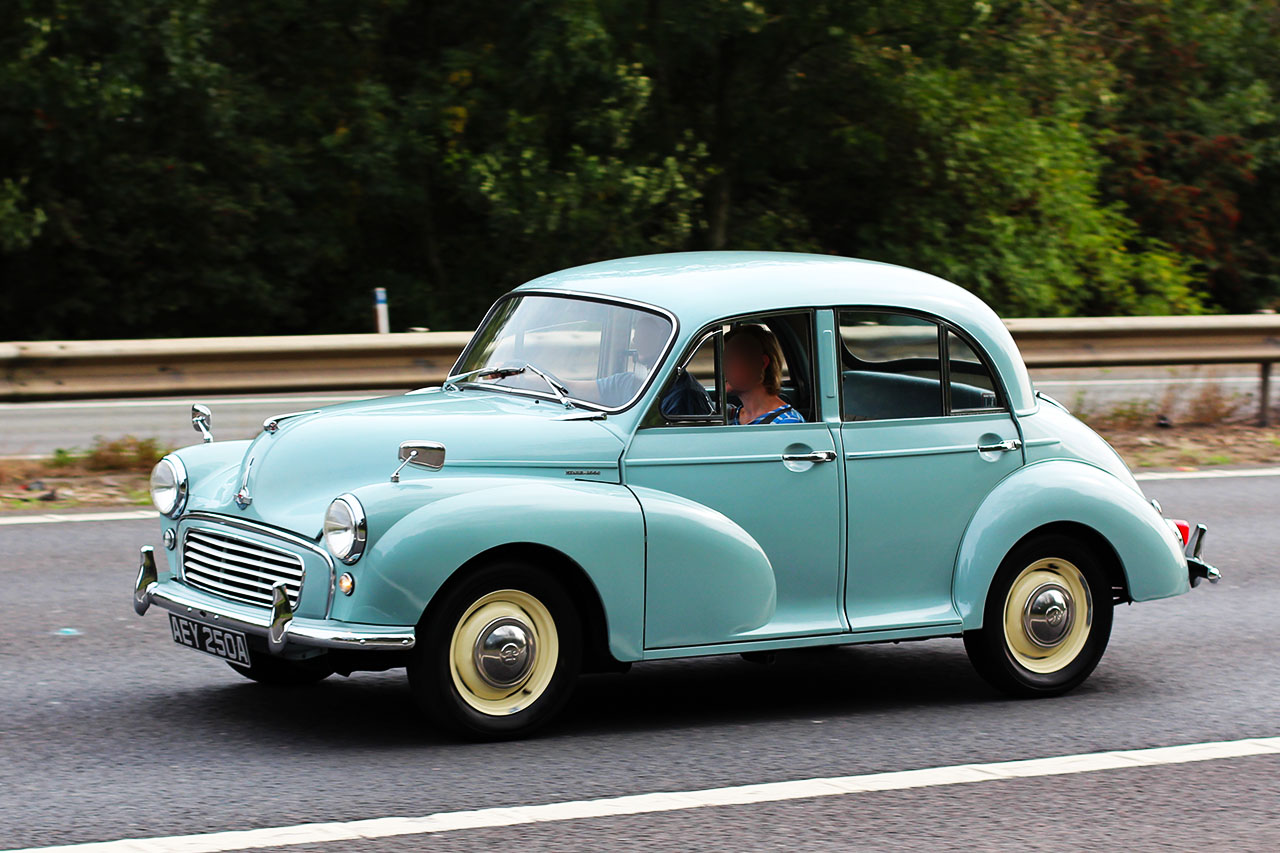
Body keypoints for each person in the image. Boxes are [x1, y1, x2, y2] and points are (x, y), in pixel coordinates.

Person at [724, 324, 804, 425]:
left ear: (761, 363)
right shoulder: (733, 416)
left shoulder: (787, 423)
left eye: (732, 360)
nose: (724, 368)